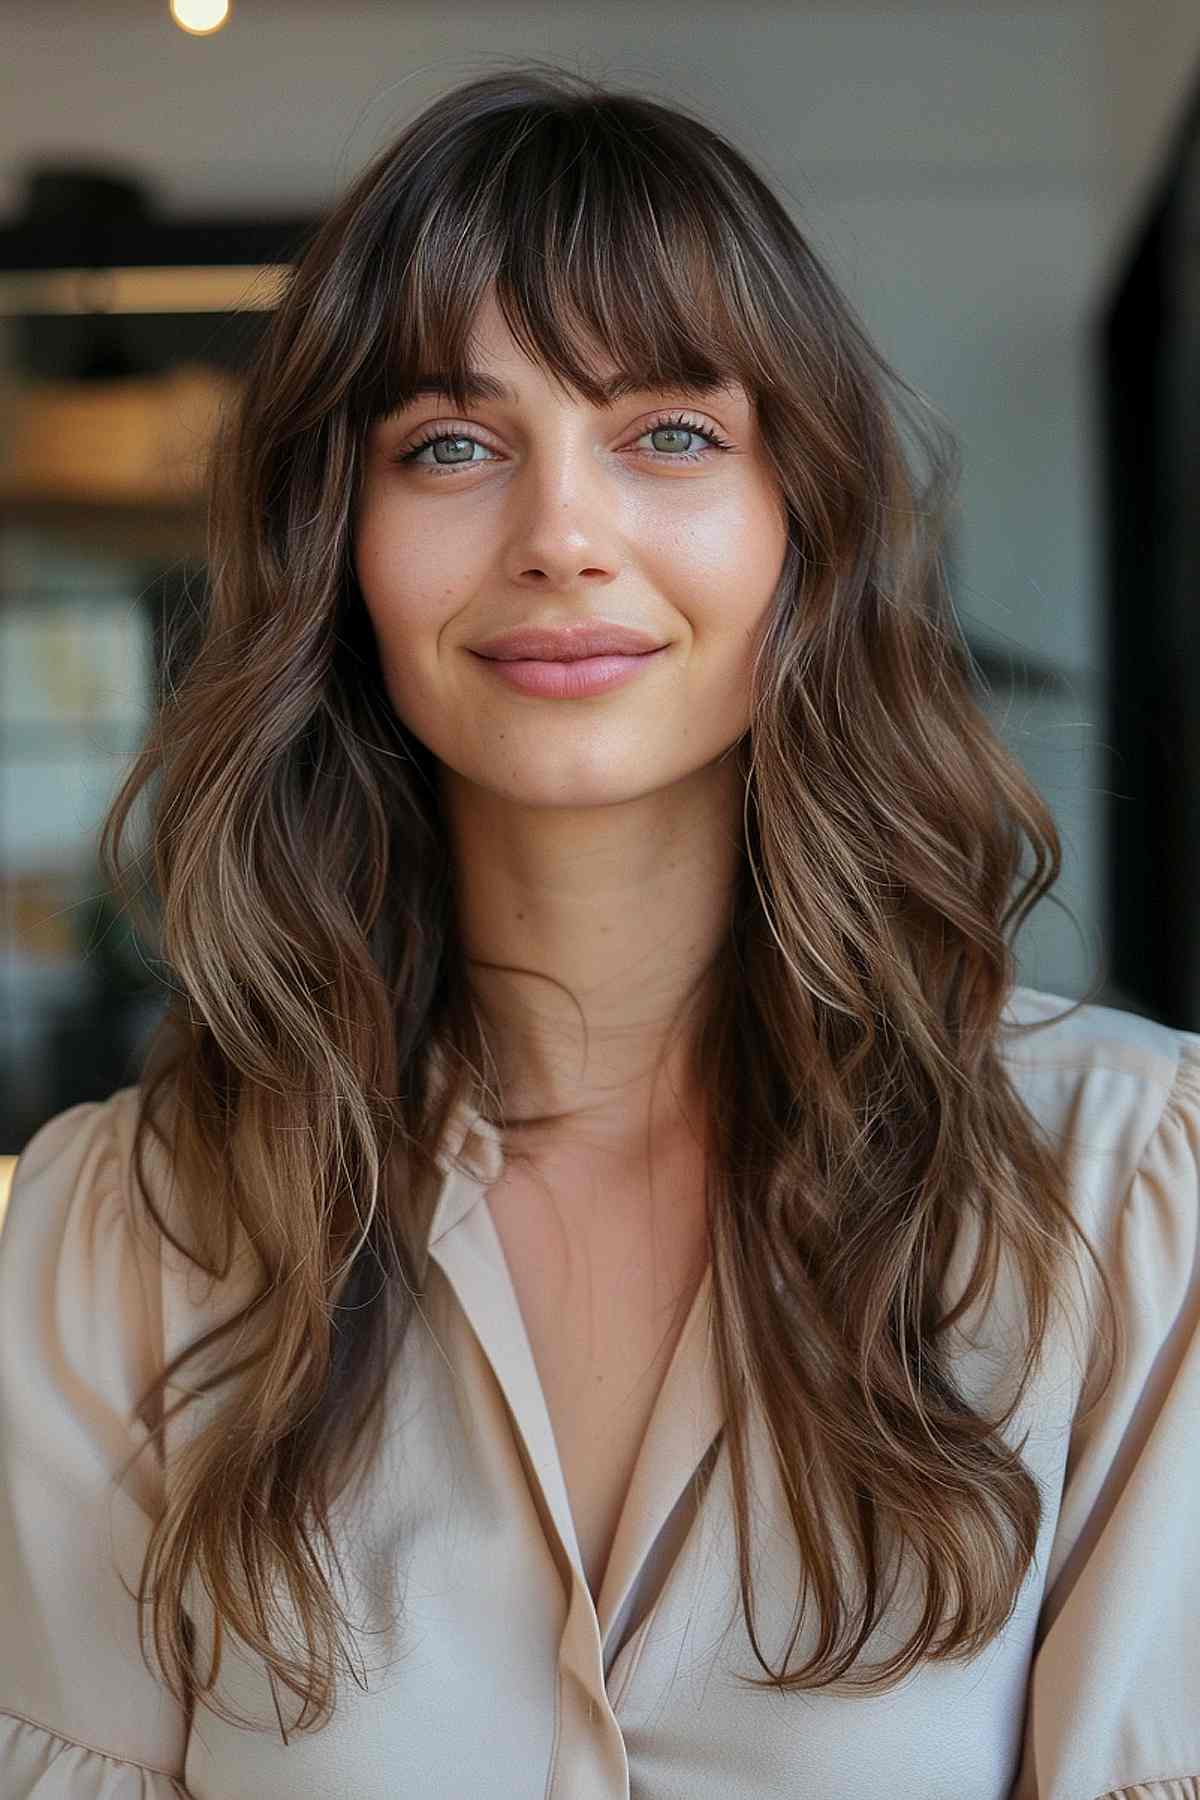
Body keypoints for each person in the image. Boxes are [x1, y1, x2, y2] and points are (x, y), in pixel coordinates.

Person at [1, 61, 1197, 1800]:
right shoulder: (127, 1244)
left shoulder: (1128, 1205)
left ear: (805, 525)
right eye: (454, 446)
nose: (561, 535)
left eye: (671, 434)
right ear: (341, 547)